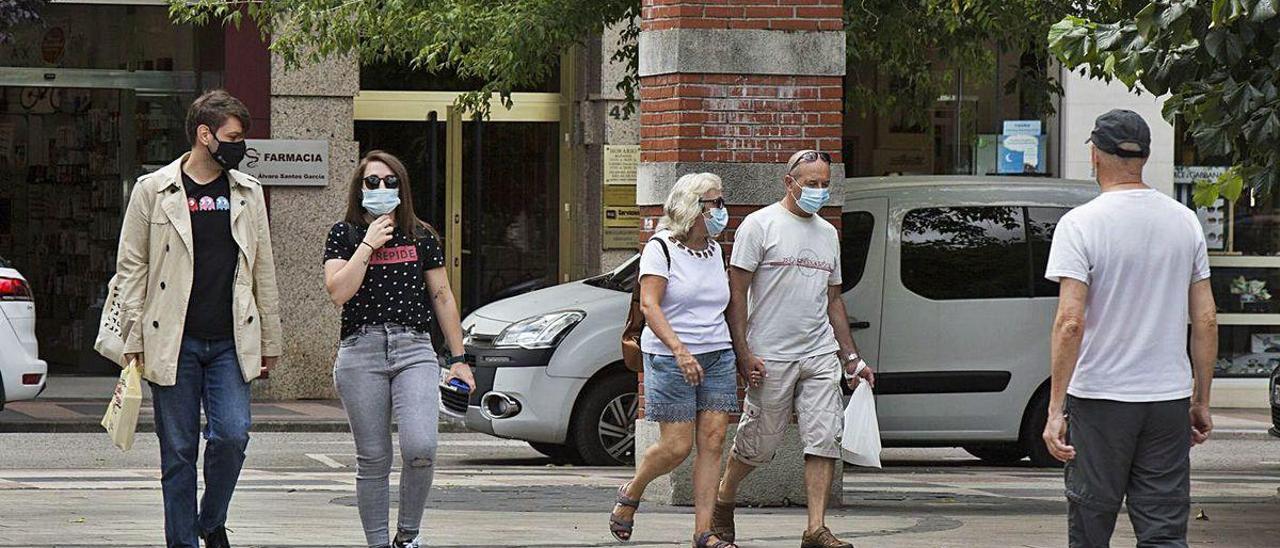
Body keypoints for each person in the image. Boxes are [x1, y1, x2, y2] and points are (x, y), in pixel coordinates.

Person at [115, 89, 282, 548]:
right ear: (204, 134)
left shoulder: (248, 192)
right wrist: (133, 336)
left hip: (231, 339)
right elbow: (132, 267)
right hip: (172, 339)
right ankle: (183, 541)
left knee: (232, 435)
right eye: (232, 136)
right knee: (179, 452)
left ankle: (210, 521)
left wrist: (271, 340)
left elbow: (261, 267)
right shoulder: (154, 190)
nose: (239, 145)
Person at [1042, 109, 1217, 548]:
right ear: (1143, 156)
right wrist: (1201, 400)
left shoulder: (1081, 223)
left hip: (1101, 398)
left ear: (1095, 156)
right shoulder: (1184, 220)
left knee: (1092, 523)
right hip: (1166, 398)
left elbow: (1069, 322)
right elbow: (1207, 318)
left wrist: (1055, 409)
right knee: (1163, 529)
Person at [710, 150, 874, 548]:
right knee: (759, 444)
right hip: (770, 354)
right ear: (789, 182)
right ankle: (723, 498)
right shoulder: (759, 225)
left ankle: (815, 528)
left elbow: (834, 300)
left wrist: (850, 357)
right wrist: (743, 352)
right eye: (811, 183)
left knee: (823, 437)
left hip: (818, 352)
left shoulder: (828, 234)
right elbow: (736, 292)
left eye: (825, 183)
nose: (819, 191)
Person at [323, 150, 474, 548]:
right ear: (359, 189)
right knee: (372, 459)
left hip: (414, 349)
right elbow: (338, 291)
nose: (382, 188)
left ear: (402, 189)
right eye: (372, 182)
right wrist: (368, 245)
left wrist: (459, 361)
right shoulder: (345, 234)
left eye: (391, 182)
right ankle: (377, 543)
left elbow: (441, 295)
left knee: (421, 447)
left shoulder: (421, 235)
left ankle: (407, 535)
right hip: (361, 351)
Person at [608, 173, 739, 548]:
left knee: (713, 440)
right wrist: (681, 351)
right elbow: (650, 305)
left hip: (717, 354)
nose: (721, 210)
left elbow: (723, 306)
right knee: (677, 446)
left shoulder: (716, 250)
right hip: (669, 356)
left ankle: (703, 531)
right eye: (715, 203)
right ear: (693, 208)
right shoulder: (660, 248)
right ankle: (632, 491)